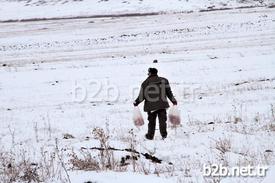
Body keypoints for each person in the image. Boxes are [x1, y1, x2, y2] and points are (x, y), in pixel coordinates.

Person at [133, 68, 177, 140]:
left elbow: (142, 96)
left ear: (150, 73)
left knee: (151, 122)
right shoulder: (164, 80)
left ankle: (150, 136)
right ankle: (164, 135)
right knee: (162, 121)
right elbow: (169, 92)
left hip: (151, 106)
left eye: (148, 73)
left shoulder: (145, 83)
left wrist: (136, 102)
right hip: (162, 105)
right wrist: (173, 101)